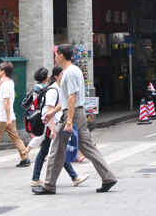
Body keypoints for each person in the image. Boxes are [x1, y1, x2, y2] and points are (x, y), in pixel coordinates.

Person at [33, 44, 117, 195]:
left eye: (56, 55)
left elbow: (72, 97)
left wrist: (69, 122)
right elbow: (67, 99)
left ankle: (49, 185)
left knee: (56, 149)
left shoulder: (70, 72)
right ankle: (108, 177)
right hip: (78, 113)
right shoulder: (74, 70)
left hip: (71, 115)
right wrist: (52, 113)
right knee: (88, 147)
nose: (55, 57)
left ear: (61, 56)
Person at [31, 66, 87, 188]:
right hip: (51, 127)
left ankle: (36, 177)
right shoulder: (53, 90)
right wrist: (53, 129)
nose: (64, 75)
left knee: (53, 151)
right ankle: (74, 176)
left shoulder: (61, 88)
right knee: (56, 150)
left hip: (56, 124)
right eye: (61, 74)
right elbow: (48, 110)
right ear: (56, 76)